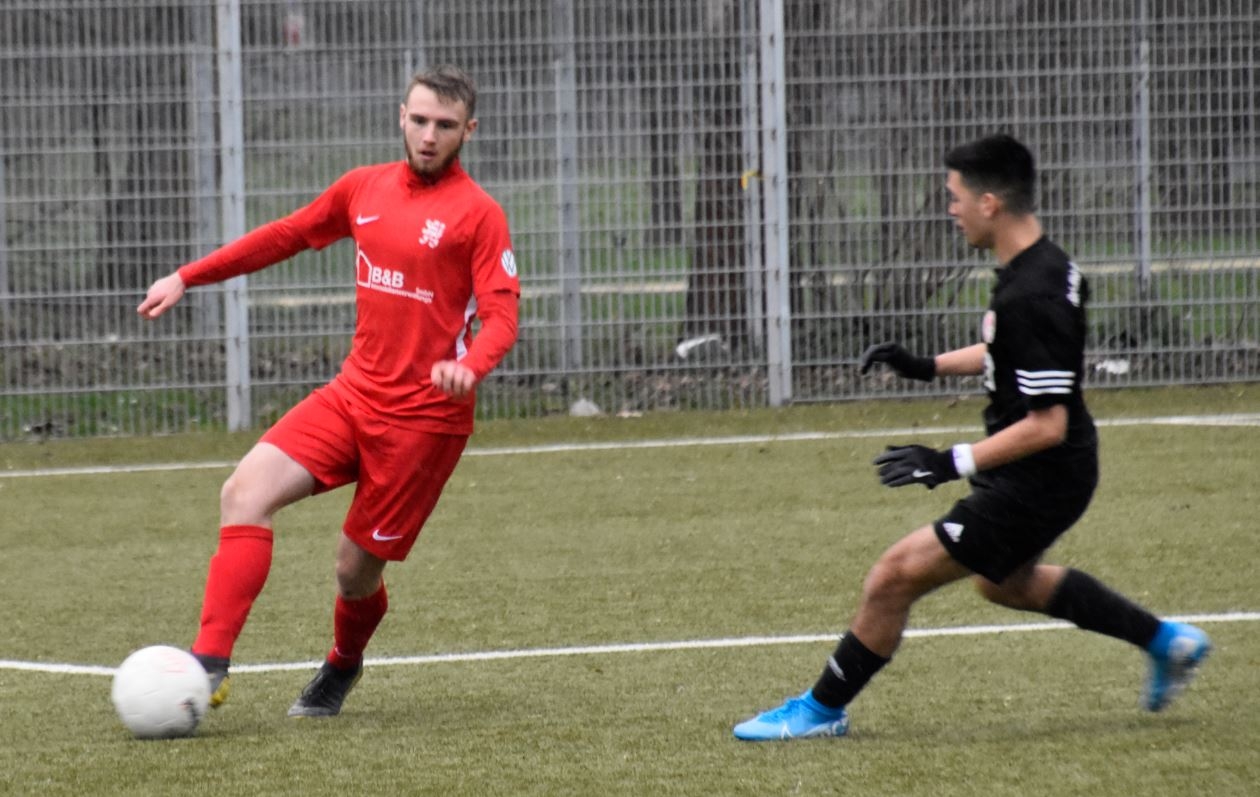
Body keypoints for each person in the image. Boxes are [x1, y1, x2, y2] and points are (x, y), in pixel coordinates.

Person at [732, 133, 1210, 741]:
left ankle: (820, 711)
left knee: (894, 575)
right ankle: (1167, 642)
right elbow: (1007, 351)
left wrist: (948, 461)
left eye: (955, 196)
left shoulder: (1034, 293)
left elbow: (1048, 424)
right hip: (1049, 469)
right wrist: (924, 366)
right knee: (1003, 582)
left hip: (1040, 476)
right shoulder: (1042, 268)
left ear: (990, 203)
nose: (950, 209)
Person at [136, 64, 520, 718]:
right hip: (352, 395)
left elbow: (502, 315)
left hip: (424, 423)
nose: (429, 136)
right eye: (419, 120)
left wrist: (473, 366)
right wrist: (187, 276)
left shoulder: (479, 215)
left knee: (352, 571)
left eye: (445, 125)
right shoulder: (364, 188)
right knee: (244, 492)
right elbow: (285, 235)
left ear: (469, 131)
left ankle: (343, 662)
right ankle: (209, 662)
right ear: (401, 117)